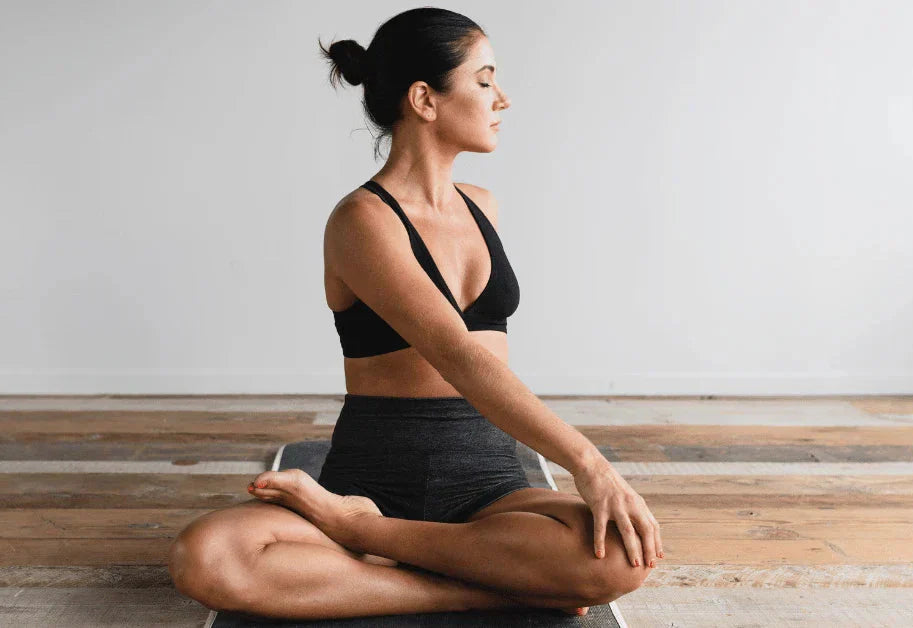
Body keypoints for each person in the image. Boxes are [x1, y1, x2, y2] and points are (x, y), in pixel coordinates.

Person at [167, 7, 662, 621]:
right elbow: (457, 354)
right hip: (371, 479)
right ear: (425, 99)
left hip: (487, 483)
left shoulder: (483, 206)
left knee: (621, 557)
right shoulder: (361, 220)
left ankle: (372, 542)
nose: (502, 99)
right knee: (208, 557)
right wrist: (590, 463)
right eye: (484, 80)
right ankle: (458, 570)